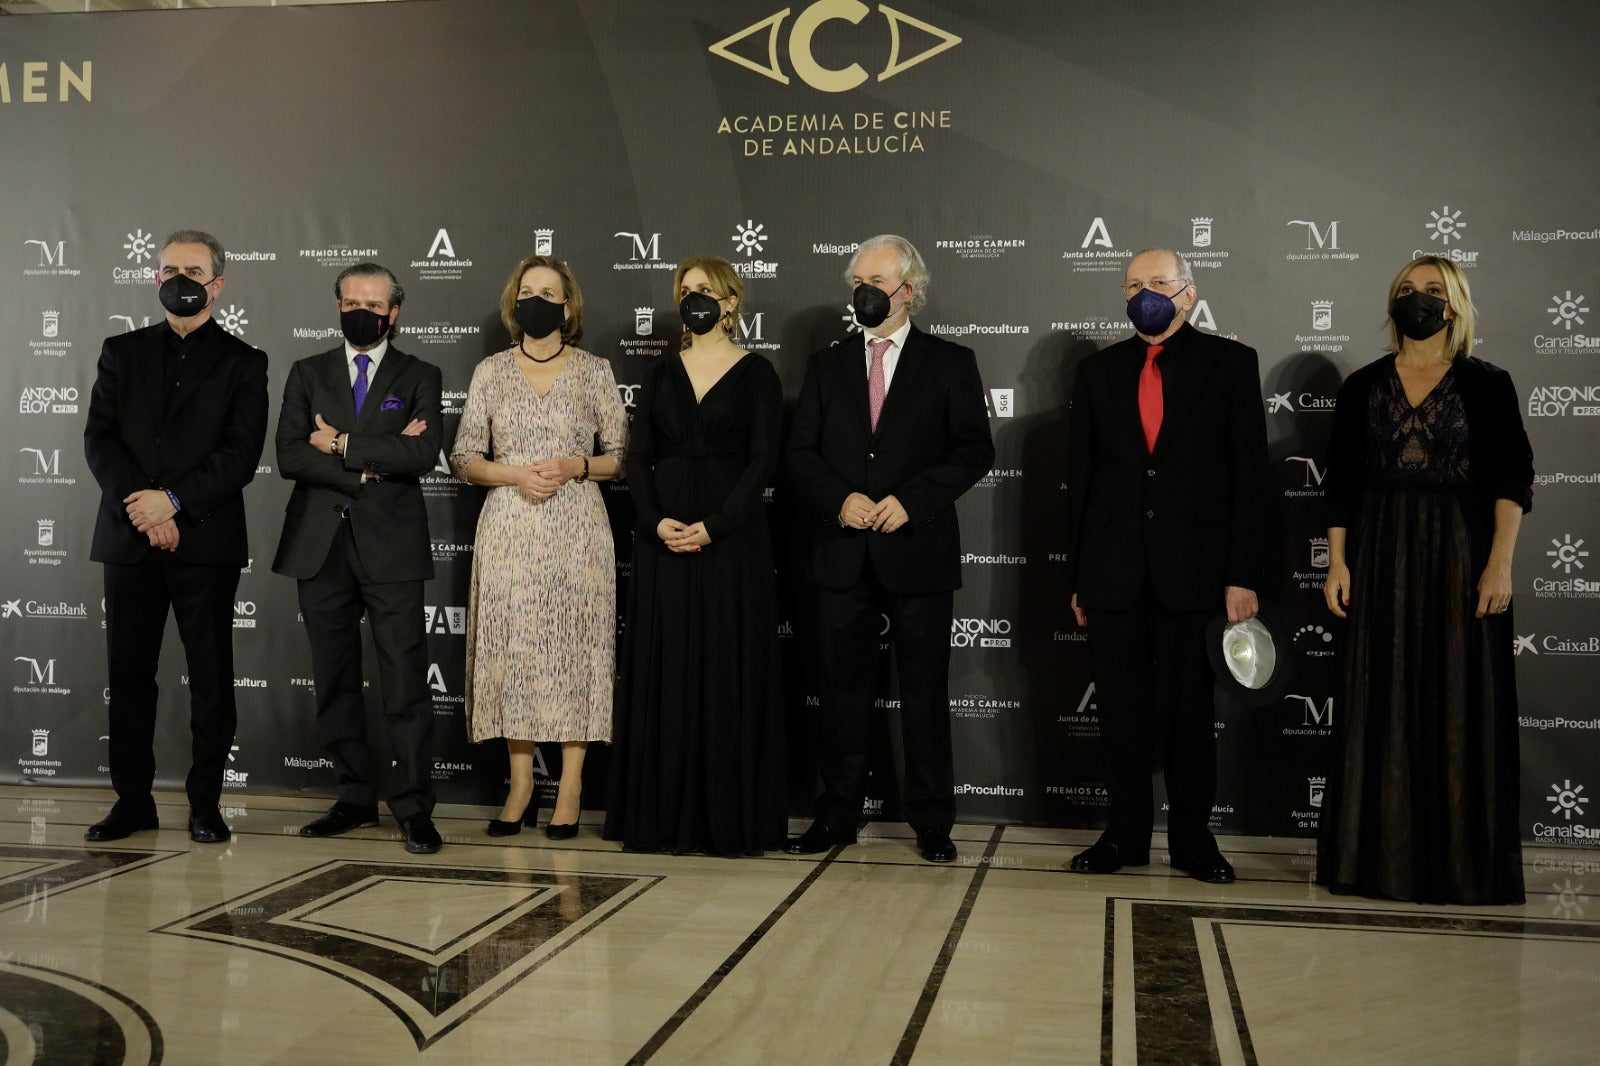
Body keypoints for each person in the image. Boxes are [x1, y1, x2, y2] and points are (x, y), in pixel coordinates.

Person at [1318, 256, 1532, 905]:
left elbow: (1510, 479)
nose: (1419, 300)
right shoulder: (1361, 386)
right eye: (1407, 291)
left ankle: (1461, 865)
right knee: (1378, 701)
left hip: (1461, 558)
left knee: (1460, 701)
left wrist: (1500, 563)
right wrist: (1338, 560)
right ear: (1392, 306)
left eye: (1433, 291)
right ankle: (1373, 861)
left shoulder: (1487, 384)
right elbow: (1341, 484)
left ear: (1456, 305)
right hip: (1380, 554)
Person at [1062, 248, 1269, 884]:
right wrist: (1080, 577)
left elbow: (1249, 478)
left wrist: (1242, 574)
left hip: (1197, 576)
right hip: (1115, 575)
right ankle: (1123, 837)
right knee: (1120, 716)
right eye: (1132, 285)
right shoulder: (1098, 374)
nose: (1143, 294)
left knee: (1188, 717)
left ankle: (1192, 841)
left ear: (1188, 292)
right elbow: (1083, 481)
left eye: (1157, 283)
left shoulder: (1231, 365)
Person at [786, 234, 994, 864]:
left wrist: (913, 500)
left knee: (926, 695)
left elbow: (973, 450)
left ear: (909, 289)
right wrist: (837, 500)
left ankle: (931, 821)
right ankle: (837, 816)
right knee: (840, 693)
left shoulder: (951, 362)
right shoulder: (828, 366)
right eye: (857, 283)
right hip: (841, 551)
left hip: (918, 548)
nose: (864, 293)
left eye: (876, 281)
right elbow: (799, 454)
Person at [82, 229, 268, 844]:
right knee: (129, 673)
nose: (179, 280)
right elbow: (100, 440)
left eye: (193, 270)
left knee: (211, 676)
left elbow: (239, 456)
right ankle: (131, 801)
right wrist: (145, 509)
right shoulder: (120, 351)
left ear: (217, 284)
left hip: (205, 542)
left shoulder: (246, 362)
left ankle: (205, 805)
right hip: (129, 538)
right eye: (168, 270)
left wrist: (175, 503)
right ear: (154, 278)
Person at [603, 256, 786, 856]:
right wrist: (655, 521)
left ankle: (728, 822)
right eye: (686, 291)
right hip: (663, 538)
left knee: (726, 663)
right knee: (668, 665)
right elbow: (638, 459)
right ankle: (660, 819)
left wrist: (714, 527)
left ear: (731, 302)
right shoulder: (659, 373)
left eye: (706, 291)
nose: (695, 300)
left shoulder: (759, 374)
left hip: (731, 542)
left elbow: (762, 463)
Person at [450, 255, 627, 840]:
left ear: (568, 305)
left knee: (576, 647)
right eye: (527, 291)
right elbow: (464, 457)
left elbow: (620, 457)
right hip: (509, 529)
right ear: (514, 302)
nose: (537, 300)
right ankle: (521, 783)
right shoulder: (491, 372)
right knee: (514, 653)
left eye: (549, 292)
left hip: (578, 529)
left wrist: (575, 464)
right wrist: (517, 475)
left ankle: (571, 785)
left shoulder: (596, 370)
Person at [272, 263, 445, 855]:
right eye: (349, 302)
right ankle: (352, 797)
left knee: (404, 682)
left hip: (392, 546)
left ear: (394, 311)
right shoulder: (307, 371)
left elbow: (422, 451)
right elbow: (291, 454)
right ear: (337, 305)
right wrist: (371, 465)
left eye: (372, 303)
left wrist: (343, 445)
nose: (359, 312)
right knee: (335, 678)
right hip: (320, 547)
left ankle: (415, 807)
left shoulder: (421, 373)